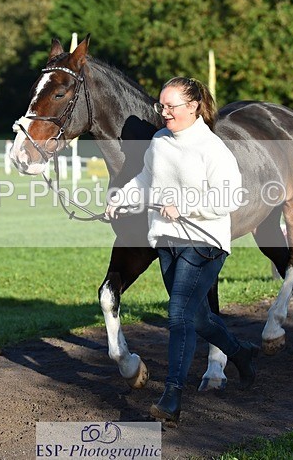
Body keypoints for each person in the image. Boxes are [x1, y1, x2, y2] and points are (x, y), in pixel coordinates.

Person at [105, 77, 259, 425]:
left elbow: (231, 198)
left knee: (178, 316)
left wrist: (185, 206)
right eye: (161, 106)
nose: (164, 113)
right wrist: (122, 198)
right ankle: (241, 353)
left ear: (193, 106)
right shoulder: (160, 141)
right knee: (199, 318)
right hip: (166, 240)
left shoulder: (212, 148)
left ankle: (172, 397)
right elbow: (147, 180)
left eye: (171, 106)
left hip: (204, 241)